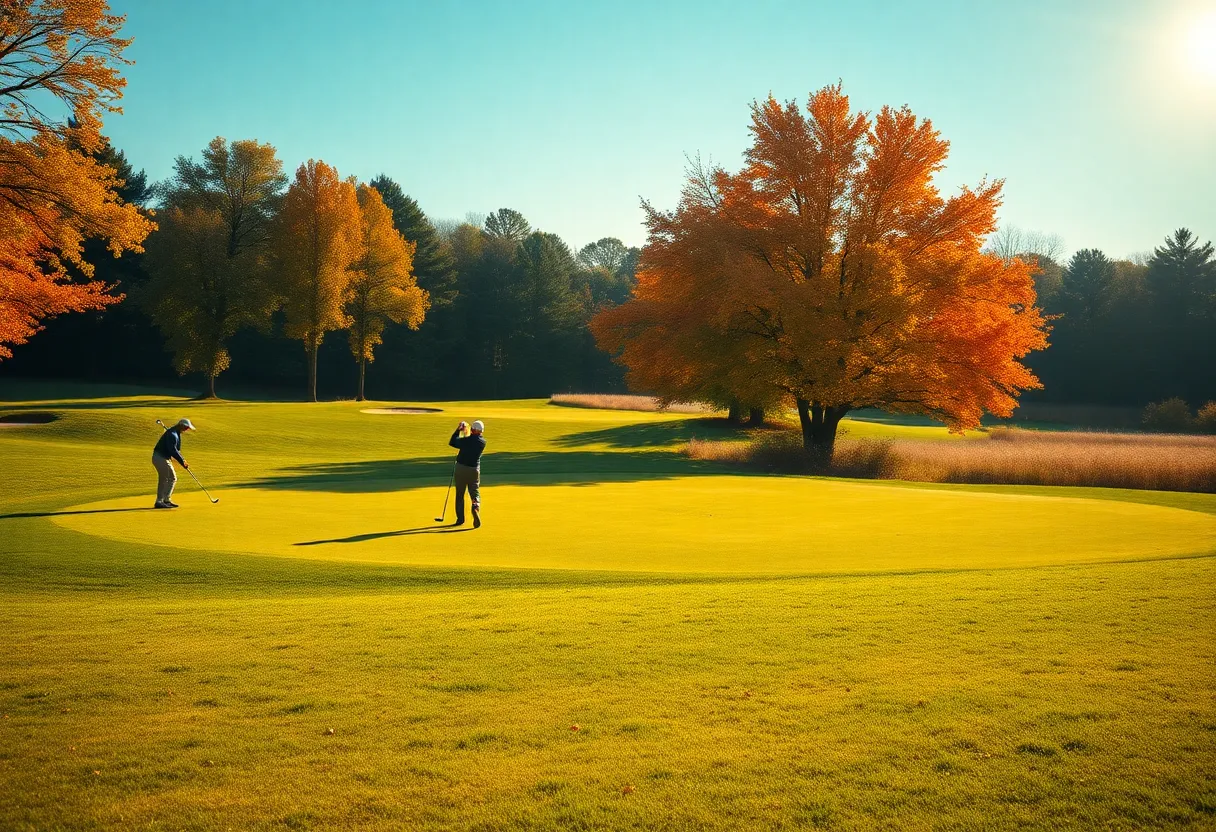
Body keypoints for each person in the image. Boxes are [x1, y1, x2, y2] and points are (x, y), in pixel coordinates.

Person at [448, 419, 486, 528]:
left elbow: (453, 442)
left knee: (460, 494)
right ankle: (475, 506)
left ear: (473, 430)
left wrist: (459, 429)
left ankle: (460, 519)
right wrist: (467, 432)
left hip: (461, 469)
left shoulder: (466, 441)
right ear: (481, 431)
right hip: (474, 470)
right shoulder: (483, 442)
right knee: (474, 491)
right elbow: (471, 440)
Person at [153, 418, 194, 509]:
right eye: (186, 427)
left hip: (163, 457)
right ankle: (160, 501)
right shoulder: (172, 434)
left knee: (170, 478)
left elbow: (176, 450)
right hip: (160, 457)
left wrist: (182, 460)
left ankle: (165, 500)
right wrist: (182, 461)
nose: (187, 429)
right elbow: (173, 451)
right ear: (181, 425)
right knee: (167, 478)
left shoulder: (175, 433)